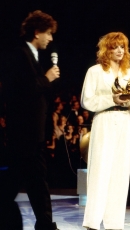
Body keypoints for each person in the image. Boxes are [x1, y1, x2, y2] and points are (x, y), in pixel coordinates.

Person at [0, 10, 60, 230]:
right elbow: (21, 92)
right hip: (25, 133)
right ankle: (45, 224)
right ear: (37, 32)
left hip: (30, 134)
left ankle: (45, 224)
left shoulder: (31, 55)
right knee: (31, 181)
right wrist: (47, 78)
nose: (51, 38)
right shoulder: (20, 54)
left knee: (26, 180)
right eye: (48, 33)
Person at [80, 32, 130, 230]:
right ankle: (92, 222)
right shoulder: (95, 71)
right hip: (104, 120)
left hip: (124, 122)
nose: (119, 50)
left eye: (122, 47)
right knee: (100, 170)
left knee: (120, 172)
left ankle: (114, 223)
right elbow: (86, 100)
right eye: (115, 47)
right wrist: (112, 100)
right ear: (107, 49)